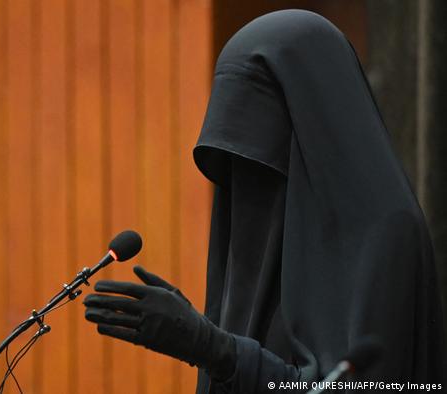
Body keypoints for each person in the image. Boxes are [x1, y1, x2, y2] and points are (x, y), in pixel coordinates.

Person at [83, 9, 447, 393]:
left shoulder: (386, 236)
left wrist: (215, 349)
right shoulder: (263, 245)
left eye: (258, 166)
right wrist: (202, 341)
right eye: (235, 170)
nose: (247, 192)